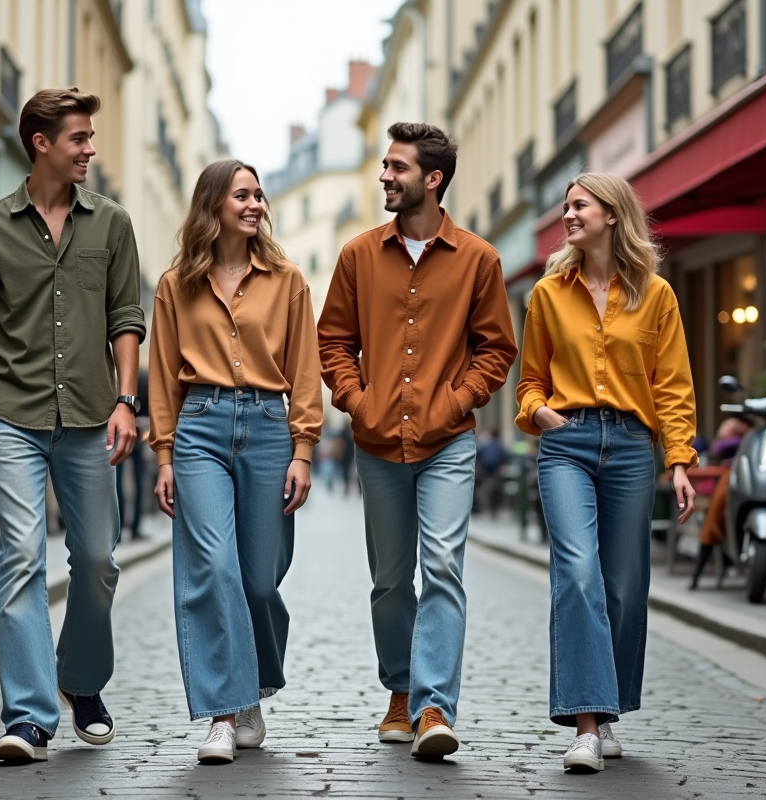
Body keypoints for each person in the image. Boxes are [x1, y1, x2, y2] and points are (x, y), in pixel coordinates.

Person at [0, 88, 145, 762]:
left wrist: (127, 400)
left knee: (97, 562)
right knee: (21, 556)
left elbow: (126, 317)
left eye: (90, 138)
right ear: (41, 144)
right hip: (12, 415)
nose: (90, 149)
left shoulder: (112, 224)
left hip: (92, 416)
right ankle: (29, 716)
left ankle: (80, 679)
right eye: (80, 139)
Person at [318, 122, 518, 760]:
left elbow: (496, 349)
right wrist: (358, 400)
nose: (384, 176)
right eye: (383, 165)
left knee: (443, 568)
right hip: (377, 444)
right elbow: (332, 344)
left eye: (396, 167)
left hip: (449, 443)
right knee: (389, 581)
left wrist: (458, 400)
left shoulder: (480, 259)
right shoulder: (356, 256)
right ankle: (399, 691)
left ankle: (433, 705)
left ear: (432, 180)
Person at [515, 172, 697, 774]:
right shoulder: (547, 293)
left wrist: (679, 461)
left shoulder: (657, 295)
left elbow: (671, 386)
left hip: (629, 447)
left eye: (578, 206)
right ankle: (586, 727)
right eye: (565, 206)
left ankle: (610, 709)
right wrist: (539, 413)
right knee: (577, 572)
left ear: (613, 215)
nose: (567, 216)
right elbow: (531, 380)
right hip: (566, 443)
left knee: (623, 585)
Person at [149, 159, 323, 765]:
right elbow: (163, 376)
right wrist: (164, 454)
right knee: (214, 569)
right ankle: (225, 712)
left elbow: (305, 370)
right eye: (242, 195)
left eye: (258, 194)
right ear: (213, 205)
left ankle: (253, 684)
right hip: (199, 426)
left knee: (257, 579)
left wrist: (304, 449)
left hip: (271, 429)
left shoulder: (287, 279)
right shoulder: (176, 285)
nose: (255, 204)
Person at [689, 415, 753, 590]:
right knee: (714, 518)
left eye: (728, 425)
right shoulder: (730, 446)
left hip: (730, 494)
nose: (722, 428)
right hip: (727, 497)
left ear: (741, 427)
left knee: (712, 520)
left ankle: (699, 571)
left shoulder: (734, 445)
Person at [116, 368, 150, 539]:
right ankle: (125, 527)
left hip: (133, 436)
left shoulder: (143, 376)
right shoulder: (143, 376)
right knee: (121, 483)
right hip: (123, 436)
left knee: (131, 482)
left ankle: (127, 527)